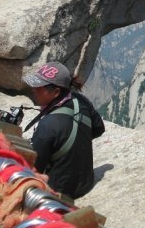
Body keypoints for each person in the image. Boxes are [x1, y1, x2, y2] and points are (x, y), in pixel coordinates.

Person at [22, 61, 105, 199]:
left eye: (39, 87)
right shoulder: (81, 101)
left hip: (60, 191)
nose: (33, 89)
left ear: (56, 92)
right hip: (86, 183)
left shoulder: (47, 125)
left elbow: (34, 167)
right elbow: (98, 129)